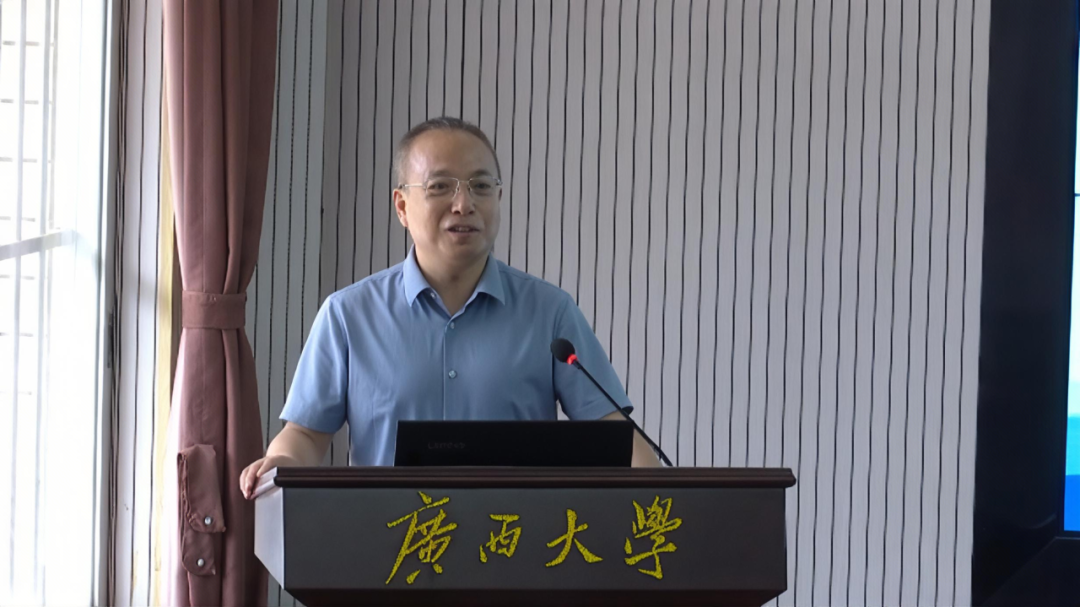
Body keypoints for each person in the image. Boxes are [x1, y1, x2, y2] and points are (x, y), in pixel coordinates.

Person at [240, 117, 660, 498]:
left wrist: (664, 493)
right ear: (402, 207)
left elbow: (614, 435)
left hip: (516, 544)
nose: (464, 204)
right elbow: (306, 435)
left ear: (498, 197)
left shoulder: (550, 313)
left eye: (481, 186)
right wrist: (281, 462)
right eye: (440, 186)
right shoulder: (348, 316)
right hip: (388, 544)